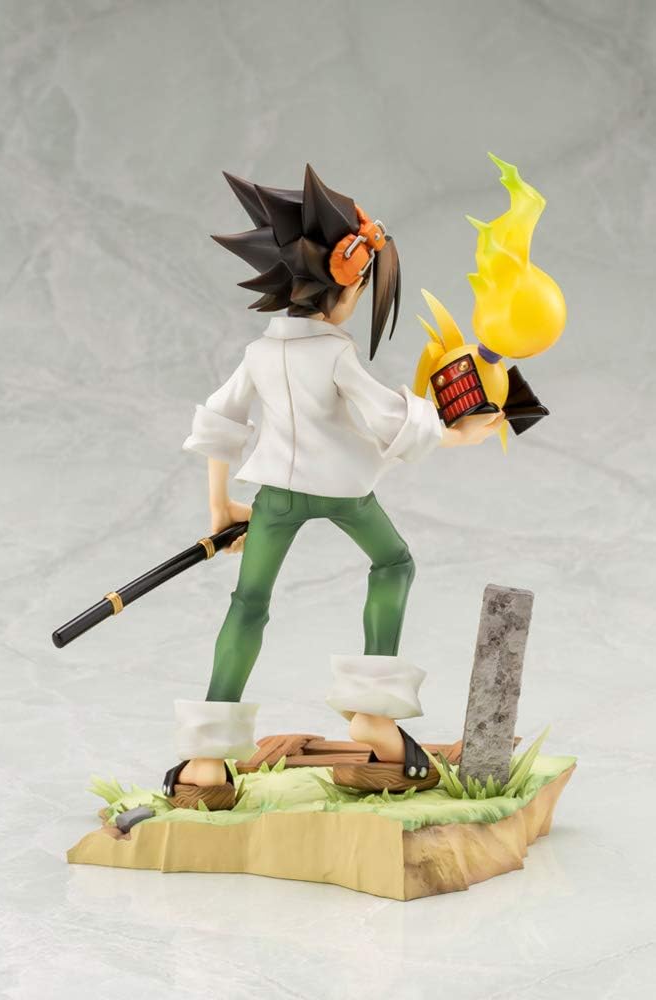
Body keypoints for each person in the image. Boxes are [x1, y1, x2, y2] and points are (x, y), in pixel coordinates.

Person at [162, 165, 503, 809]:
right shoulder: (335, 353)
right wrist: (461, 435)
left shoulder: (260, 354)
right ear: (342, 288)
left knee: (247, 605)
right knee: (394, 564)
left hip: (275, 497)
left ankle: (204, 761)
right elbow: (388, 417)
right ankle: (373, 715)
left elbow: (219, 423)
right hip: (344, 491)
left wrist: (219, 507)